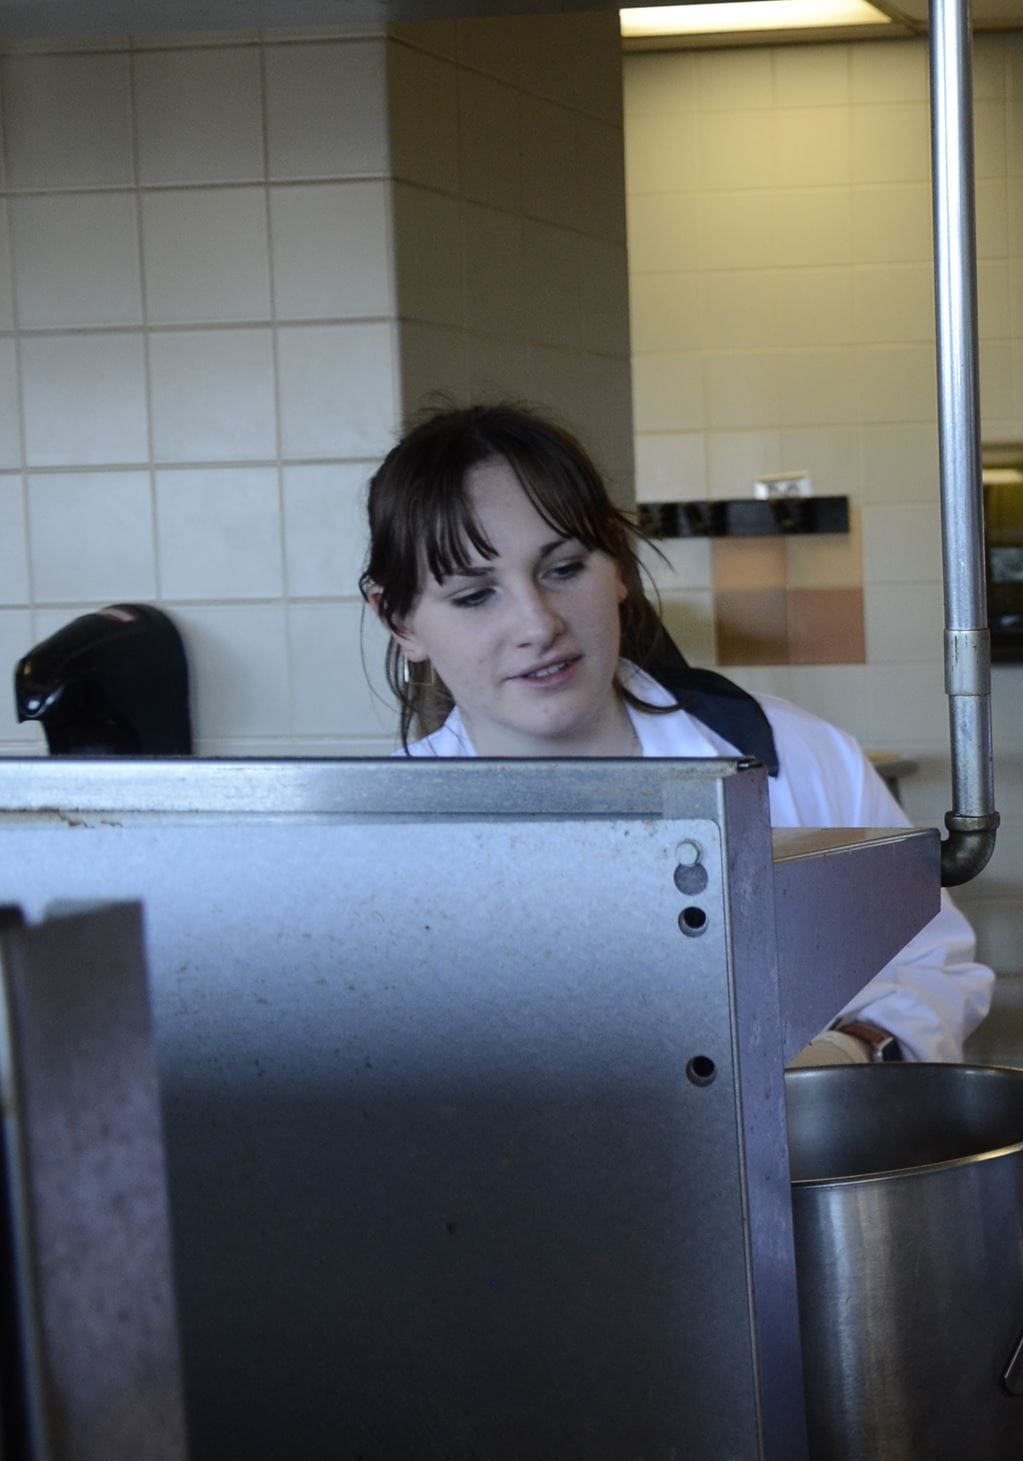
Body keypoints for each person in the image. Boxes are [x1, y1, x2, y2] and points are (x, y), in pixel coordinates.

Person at [363, 403, 989, 1064]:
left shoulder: (787, 754)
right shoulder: (378, 843)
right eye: (473, 595)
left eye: (564, 569)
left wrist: (853, 1050)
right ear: (400, 620)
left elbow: (936, 965)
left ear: (617, 567)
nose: (537, 624)